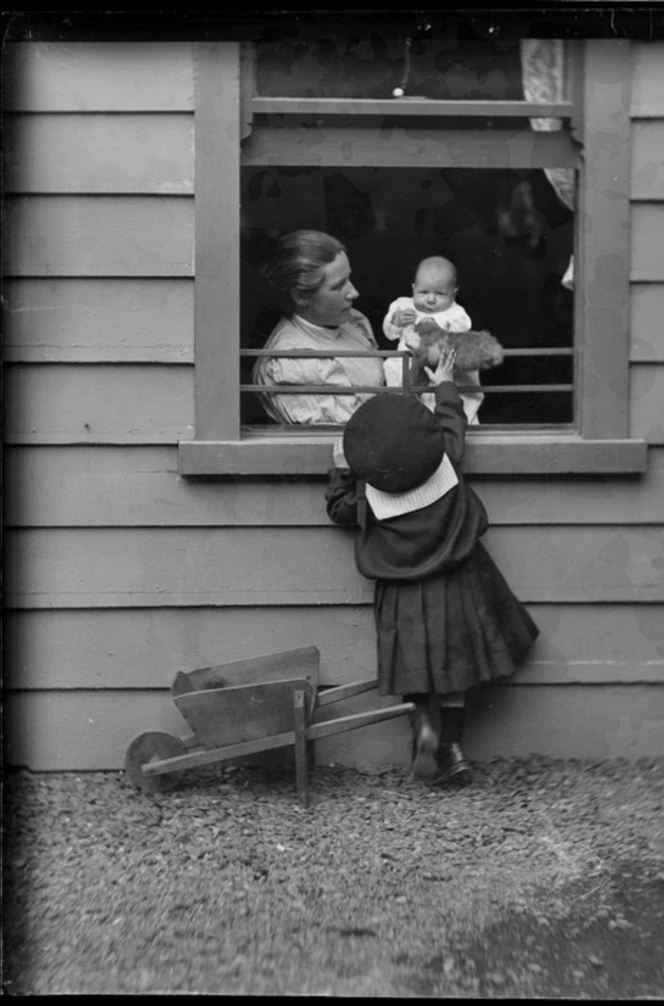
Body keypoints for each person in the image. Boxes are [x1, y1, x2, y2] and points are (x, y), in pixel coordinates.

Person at [325, 348, 539, 786]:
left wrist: (341, 471)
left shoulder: (370, 498)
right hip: (455, 586)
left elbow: (338, 508)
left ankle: (424, 728)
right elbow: (451, 428)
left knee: (416, 669)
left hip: (402, 596)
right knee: (455, 668)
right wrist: (444, 384)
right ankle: (454, 749)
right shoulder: (444, 465)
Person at [253, 230, 385, 425]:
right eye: (338, 286)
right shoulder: (292, 363)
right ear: (301, 296)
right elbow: (358, 430)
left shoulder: (353, 320)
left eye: (349, 278)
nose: (354, 292)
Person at [382, 256, 484, 425]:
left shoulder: (455, 313)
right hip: (406, 367)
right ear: (413, 288)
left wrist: (438, 330)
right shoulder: (403, 305)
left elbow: (459, 334)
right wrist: (396, 320)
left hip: (436, 371)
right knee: (403, 405)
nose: (430, 299)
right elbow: (389, 334)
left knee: (436, 405)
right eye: (423, 292)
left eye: (440, 294)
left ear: (454, 293)